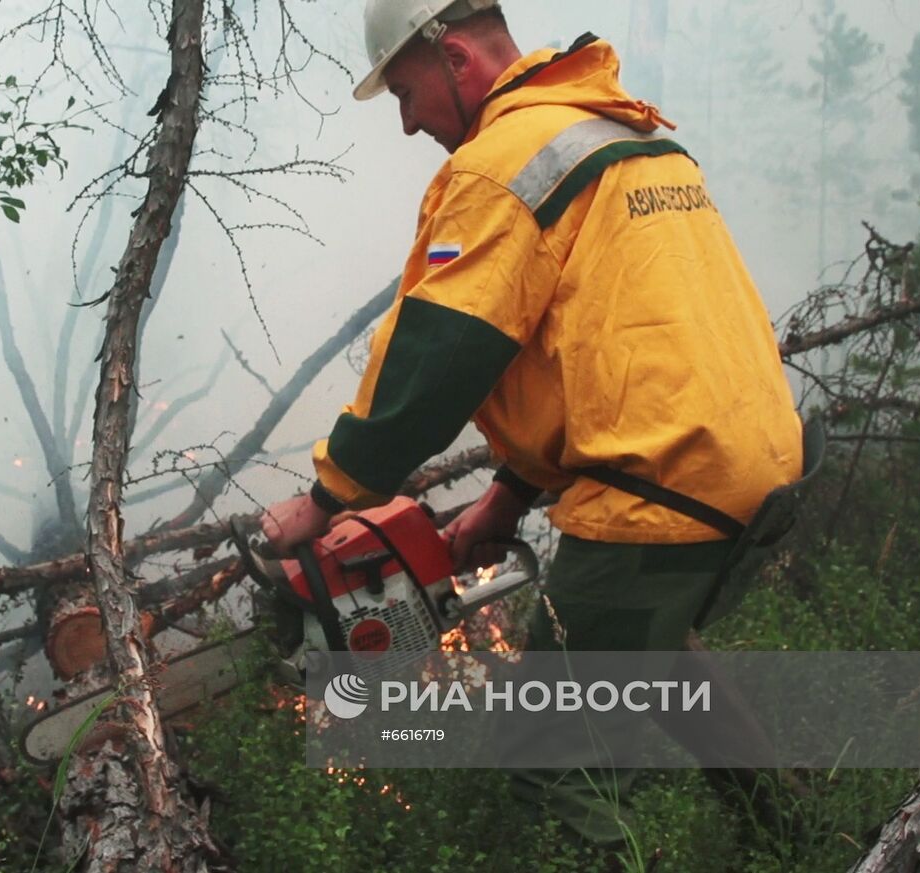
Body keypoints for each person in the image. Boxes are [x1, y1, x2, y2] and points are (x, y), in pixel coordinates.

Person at [260, 0, 805, 846]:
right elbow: (598, 346)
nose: (408, 126)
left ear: (456, 58)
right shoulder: (614, 129)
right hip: (744, 449)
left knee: (551, 754)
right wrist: (507, 497)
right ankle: (797, 835)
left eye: (405, 94)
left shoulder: (498, 166)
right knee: (649, 653)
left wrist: (327, 497)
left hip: (662, 479)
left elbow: (437, 356)